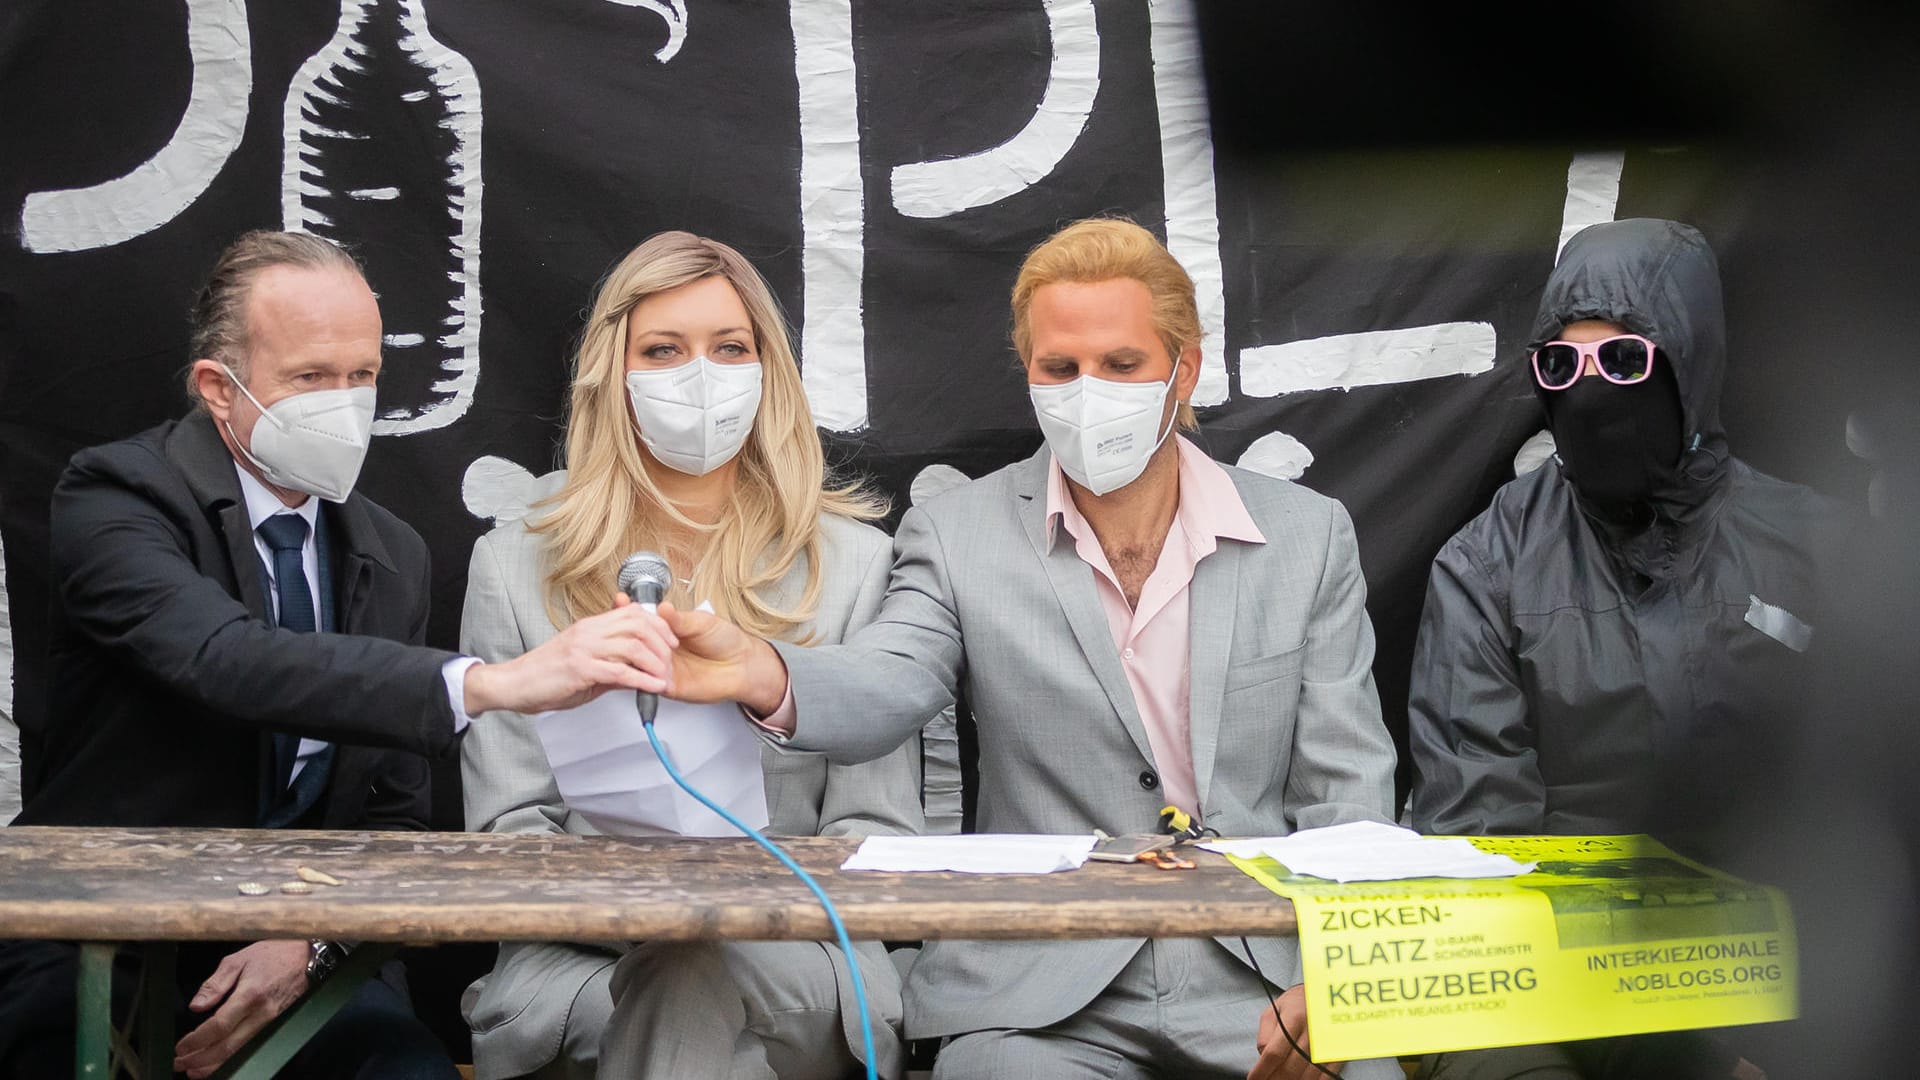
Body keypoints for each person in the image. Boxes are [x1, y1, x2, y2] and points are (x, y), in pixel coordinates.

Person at [627, 218, 1402, 1080]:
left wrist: (1344, 985)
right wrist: (763, 671)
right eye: (1059, 368)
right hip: (1038, 1005)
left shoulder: (1308, 534)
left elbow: (1348, 791)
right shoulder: (955, 531)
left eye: (1121, 364)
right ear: (1029, 373)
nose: (1088, 390)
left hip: (1260, 982)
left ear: (1184, 369)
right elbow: (891, 680)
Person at [0, 230, 673, 1080]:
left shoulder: (392, 553)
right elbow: (225, 658)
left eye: (362, 377)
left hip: (301, 952)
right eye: (311, 378)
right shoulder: (117, 496)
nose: (345, 403)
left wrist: (306, 941)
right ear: (219, 387)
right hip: (104, 941)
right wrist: (494, 683)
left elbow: (391, 816)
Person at [458, 231, 922, 1080]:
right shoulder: (515, 563)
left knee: (695, 978)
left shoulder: (855, 563)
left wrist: (725, 917)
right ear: (613, 373)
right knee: (684, 987)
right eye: (664, 350)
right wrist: (651, 918)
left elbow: (876, 832)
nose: (699, 374)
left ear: (768, 370)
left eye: (729, 348)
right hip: (582, 967)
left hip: (801, 963)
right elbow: (506, 831)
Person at [1406, 219, 1832, 1080]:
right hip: (1547, 984)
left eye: (1626, 361)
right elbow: (1480, 842)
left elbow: (1858, 816)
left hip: (1786, 968)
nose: (1593, 393)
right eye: (1562, 367)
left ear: (1690, 362)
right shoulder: (1487, 564)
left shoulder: (1822, 548)